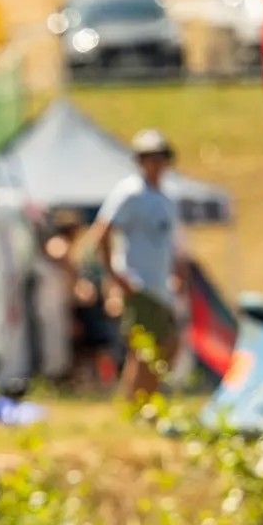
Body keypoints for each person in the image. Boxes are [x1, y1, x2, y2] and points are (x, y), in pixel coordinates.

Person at [79, 128, 183, 400]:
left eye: (160, 157)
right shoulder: (130, 192)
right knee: (147, 347)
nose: (156, 163)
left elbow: (169, 244)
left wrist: (177, 274)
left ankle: (145, 401)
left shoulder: (166, 196)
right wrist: (115, 275)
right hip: (139, 284)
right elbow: (101, 233)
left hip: (160, 285)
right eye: (150, 157)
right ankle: (138, 404)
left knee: (164, 346)